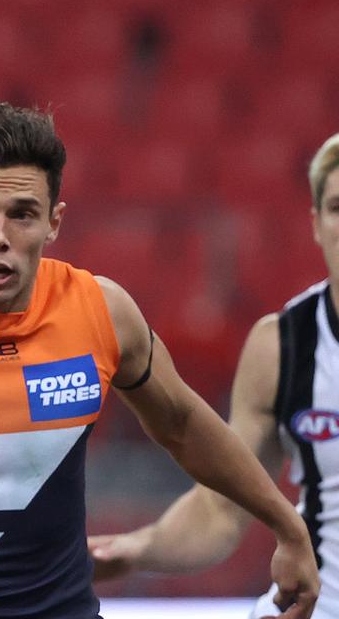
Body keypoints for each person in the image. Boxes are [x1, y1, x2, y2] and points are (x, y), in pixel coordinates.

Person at [0, 103, 320, 619]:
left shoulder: (101, 313)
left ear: (53, 223)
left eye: (21, 214)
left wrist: (287, 526)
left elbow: (184, 424)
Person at [89, 132, 339, 619]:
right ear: (316, 224)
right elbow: (222, 509)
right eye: (338, 207)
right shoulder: (282, 346)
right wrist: (136, 549)